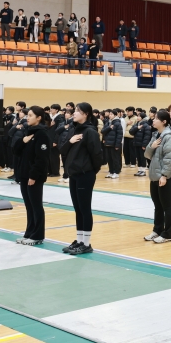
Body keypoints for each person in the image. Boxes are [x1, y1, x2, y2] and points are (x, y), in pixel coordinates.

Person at [59, 103, 103, 255]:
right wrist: (70, 141)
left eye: (77, 111)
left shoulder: (90, 132)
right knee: (77, 209)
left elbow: (97, 155)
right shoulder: (73, 129)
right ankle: (79, 240)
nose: (74, 113)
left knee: (84, 208)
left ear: (85, 114)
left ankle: (86, 243)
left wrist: (91, 170)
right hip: (74, 174)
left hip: (85, 174)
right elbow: (62, 149)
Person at [13, 106, 51, 245]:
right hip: (24, 174)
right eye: (27, 115)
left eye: (30, 115)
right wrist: (22, 141)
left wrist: (33, 176)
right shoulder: (28, 131)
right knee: (29, 206)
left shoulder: (42, 134)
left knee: (36, 206)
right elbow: (16, 151)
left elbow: (41, 159)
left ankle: (38, 235)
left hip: (34, 176)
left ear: (39, 118)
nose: (27, 118)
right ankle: (29, 233)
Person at [143, 109, 171, 243]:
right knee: (157, 205)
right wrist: (152, 146)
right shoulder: (156, 135)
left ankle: (168, 234)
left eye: (156, 118)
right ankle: (157, 230)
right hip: (154, 175)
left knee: (167, 206)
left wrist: (164, 175)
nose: (153, 120)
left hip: (164, 176)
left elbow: (170, 158)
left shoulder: (169, 137)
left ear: (164, 121)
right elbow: (147, 154)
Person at [101, 109, 123, 179]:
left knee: (115, 159)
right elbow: (102, 131)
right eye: (109, 114)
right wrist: (109, 128)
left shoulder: (117, 123)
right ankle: (111, 171)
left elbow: (119, 135)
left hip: (114, 144)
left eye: (111, 114)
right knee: (109, 159)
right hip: (107, 144)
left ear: (115, 115)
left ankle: (116, 172)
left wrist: (117, 145)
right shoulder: (108, 123)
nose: (110, 115)